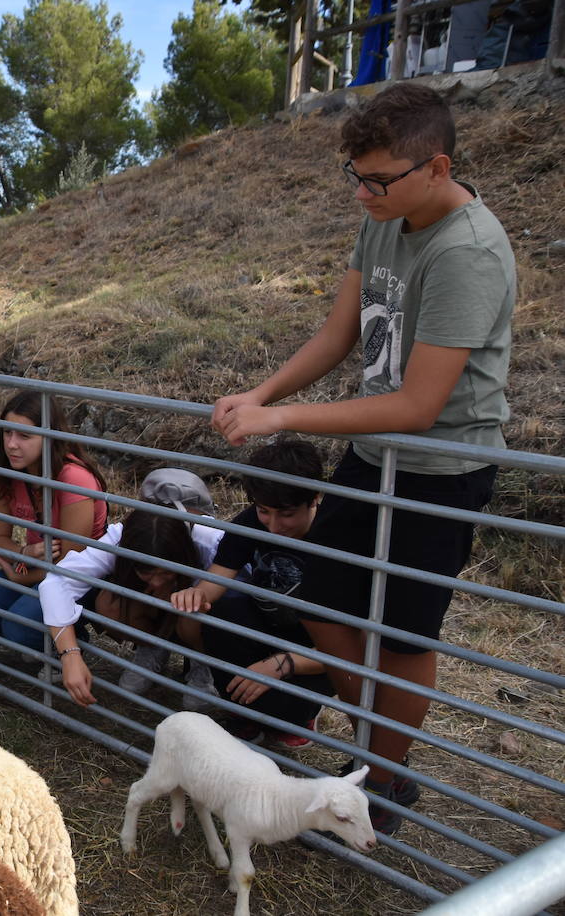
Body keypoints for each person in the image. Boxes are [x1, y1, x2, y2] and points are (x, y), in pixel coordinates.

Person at [210, 84, 514, 834]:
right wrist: (265, 388)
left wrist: (281, 414)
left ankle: (386, 780)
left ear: (437, 167)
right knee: (317, 596)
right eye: (354, 175)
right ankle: (373, 747)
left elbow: (419, 405)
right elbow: (340, 333)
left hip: (440, 470)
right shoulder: (386, 219)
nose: (362, 193)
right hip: (371, 455)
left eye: (378, 179)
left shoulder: (468, 251)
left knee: (406, 635)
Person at [170, 439, 334, 748]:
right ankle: (245, 714)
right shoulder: (248, 523)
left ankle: (300, 716)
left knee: (285, 709)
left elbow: (353, 648)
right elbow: (216, 578)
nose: (273, 525)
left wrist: (282, 664)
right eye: (264, 511)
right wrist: (194, 596)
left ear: (314, 498)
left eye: (286, 514)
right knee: (213, 616)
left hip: (315, 649)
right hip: (266, 629)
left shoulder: (336, 538)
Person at [0, 392, 108, 656]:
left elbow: (71, 564)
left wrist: (20, 577)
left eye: (24, 436)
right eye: (8, 433)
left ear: (49, 437)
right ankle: (36, 630)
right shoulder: (10, 470)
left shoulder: (73, 478)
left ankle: (72, 644)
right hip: (35, 565)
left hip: (80, 577)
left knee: (18, 628)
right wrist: (23, 554)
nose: (11, 444)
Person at [41, 505, 220, 708]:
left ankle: (204, 666)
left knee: (196, 609)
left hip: (200, 612)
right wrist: (70, 655)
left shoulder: (210, 541)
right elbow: (57, 582)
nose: (157, 582)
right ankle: (153, 647)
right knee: (108, 604)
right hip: (152, 606)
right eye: (146, 572)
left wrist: (195, 592)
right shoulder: (121, 537)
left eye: (165, 573)